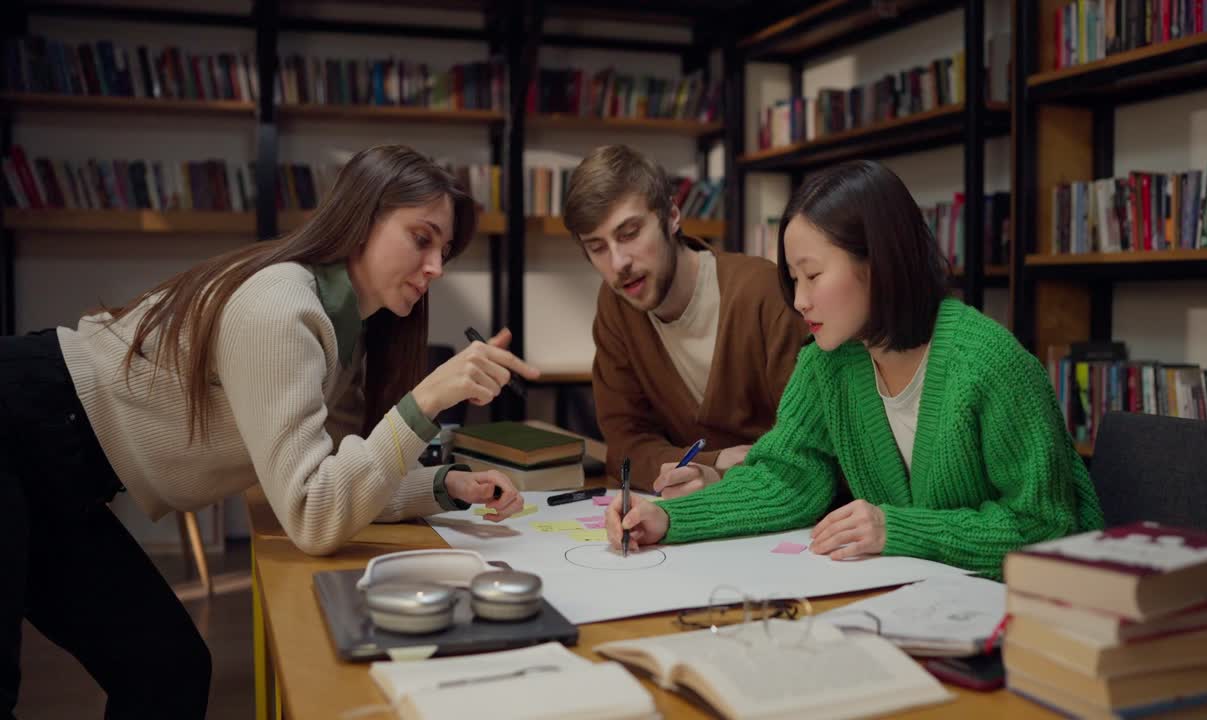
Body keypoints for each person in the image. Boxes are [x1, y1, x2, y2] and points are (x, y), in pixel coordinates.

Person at [1, 144, 539, 717]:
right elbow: (312, 514)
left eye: (444, 251)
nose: (436, 267)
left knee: (167, 669)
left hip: (62, 464)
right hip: (20, 418)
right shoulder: (282, 306)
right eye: (422, 238)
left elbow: (328, 481)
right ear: (362, 219)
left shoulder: (341, 331)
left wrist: (441, 485)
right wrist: (426, 400)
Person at [606, 160, 1103, 579]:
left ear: (879, 263)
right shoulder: (828, 362)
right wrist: (669, 518)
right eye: (793, 278)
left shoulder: (988, 362)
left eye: (813, 275)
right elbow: (786, 478)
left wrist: (897, 529)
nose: (799, 300)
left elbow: (1045, 528)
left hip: (1042, 613)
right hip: (923, 600)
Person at [563, 145, 807, 496]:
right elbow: (625, 449)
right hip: (685, 512)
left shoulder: (764, 294)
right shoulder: (616, 306)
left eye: (629, 233)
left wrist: (720, 476)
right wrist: (713, 462)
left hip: (785, 509)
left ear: (672, 216)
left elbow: (810, 449)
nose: (618, 263)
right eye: (597, 247)